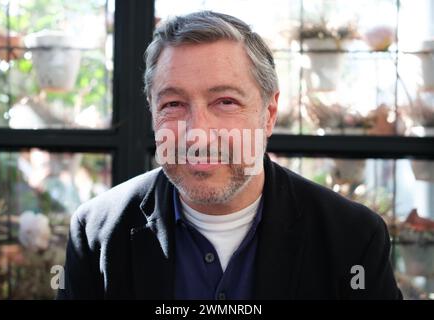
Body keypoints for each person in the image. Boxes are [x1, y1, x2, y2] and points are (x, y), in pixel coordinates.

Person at [57, 11, 402, 300]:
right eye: (173, 104)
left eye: (225, 102)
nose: (198, 133)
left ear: (268, 114)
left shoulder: (352, 237)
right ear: (152, 111)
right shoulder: (96, 234)